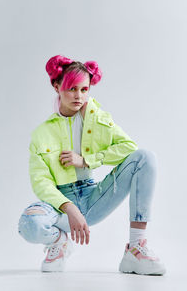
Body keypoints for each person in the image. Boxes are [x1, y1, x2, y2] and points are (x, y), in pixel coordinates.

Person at [18, 55, 166, 275]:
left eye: (84, 89)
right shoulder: (41, 134)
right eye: (72, 89)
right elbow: (41, 183)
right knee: (29, 225)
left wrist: (87, 160)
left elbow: (128, 146)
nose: (79, 96)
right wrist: (68, 207)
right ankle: (59, 243)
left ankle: (135, 248)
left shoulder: (95, 118)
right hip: (60, 205)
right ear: (57, 86)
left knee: (146, 157)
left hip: (93, 198)